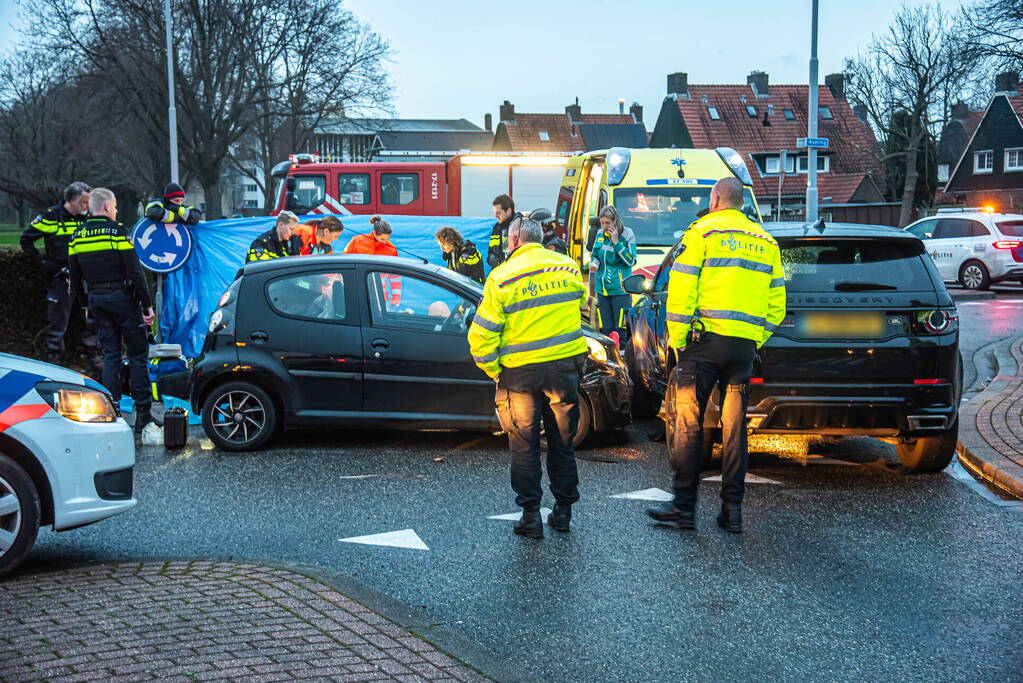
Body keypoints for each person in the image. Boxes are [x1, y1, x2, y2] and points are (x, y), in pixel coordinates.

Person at [645, 178, 785, 534]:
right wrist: (755, 336)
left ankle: (683, 508)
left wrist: (679, 341)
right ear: (741, 203)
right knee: (735, 428)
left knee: (690, 424)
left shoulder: (702, 233)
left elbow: (681, 288)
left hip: (704, 345)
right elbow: (777, 304)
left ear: (715, 199)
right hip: (742, 350)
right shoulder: (765, 241)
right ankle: (731, 511)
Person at [468, 218, 588, 540]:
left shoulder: (502, 277)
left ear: (515, 239)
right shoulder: (568, 268)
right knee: (562, 441)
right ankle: (563, 512)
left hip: (519, 375)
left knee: (524, 444)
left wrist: (495, 371)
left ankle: (531, 516)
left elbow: (480, 337)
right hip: (563, 370)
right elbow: (580, 303)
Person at [67, 188, 156, 438]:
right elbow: (135, 272)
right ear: (107, 207)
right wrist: (147, 306)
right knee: (138, 355)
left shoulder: (77, 235)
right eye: (114, 207)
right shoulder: (117, 231)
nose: (115, 211)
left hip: (97, 301)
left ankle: (113, 413)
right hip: (122, 300)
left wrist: (85, 306)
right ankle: (143, 414)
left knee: (111, 357)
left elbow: (75, 278)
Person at [20, 181, 102, 371]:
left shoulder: (87, 218)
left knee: (88, 321)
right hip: (61, 279)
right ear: (71, 200)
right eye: (83, 202)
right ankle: (53, 365)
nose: (86, 206)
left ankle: (94, 362)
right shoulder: (51, 217)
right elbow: (26, 240)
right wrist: (43, 264)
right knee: (58, 325)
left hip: (83, 279)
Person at [588, 206, 637, 346]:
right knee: (606, 331)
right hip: (602, 290)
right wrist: (594, 264)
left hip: (620, 290)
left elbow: (631, 260)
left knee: (620, 330)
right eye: (602, 223)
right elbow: (596, 255)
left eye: (607, 223)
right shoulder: (599, 233)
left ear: (615, 221)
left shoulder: (627, 234)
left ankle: (622, 360)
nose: (604, 226)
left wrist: (616, 242)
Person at [486, 194, 523, 267]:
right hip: (500, 272)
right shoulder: (496, 228)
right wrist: (491, 257)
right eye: (495, 212)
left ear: (509, 210)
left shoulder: (521, 226)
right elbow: (491, 249)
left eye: (498, 212)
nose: (496, 216)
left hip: (517, 272)